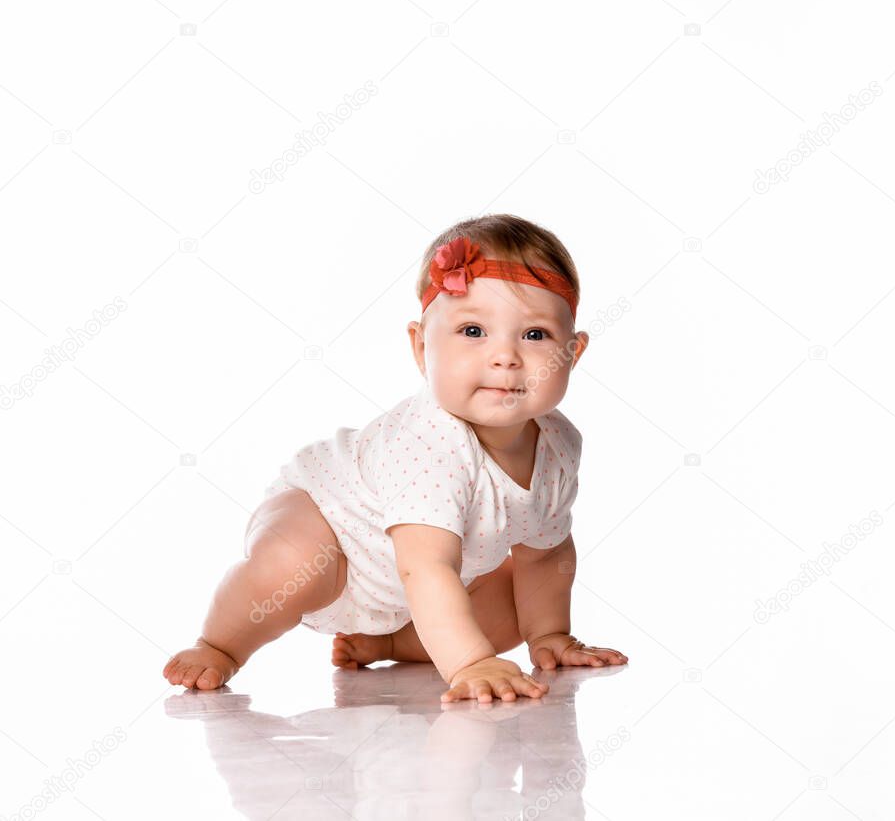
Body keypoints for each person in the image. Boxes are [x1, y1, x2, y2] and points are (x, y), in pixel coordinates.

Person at [163, 213, 629, 702]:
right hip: (331, 529)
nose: (505, 356)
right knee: (291, 562)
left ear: (572, 354)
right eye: (473, 330)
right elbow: (425, 566)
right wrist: (470, 663)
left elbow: (546, 551)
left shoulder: (559, 444)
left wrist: (549, 635)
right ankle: (220, 644)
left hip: (423, 589)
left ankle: (388, 641)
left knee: (513, 602)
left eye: (534, 336)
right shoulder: (429, 442)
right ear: (421, 345)